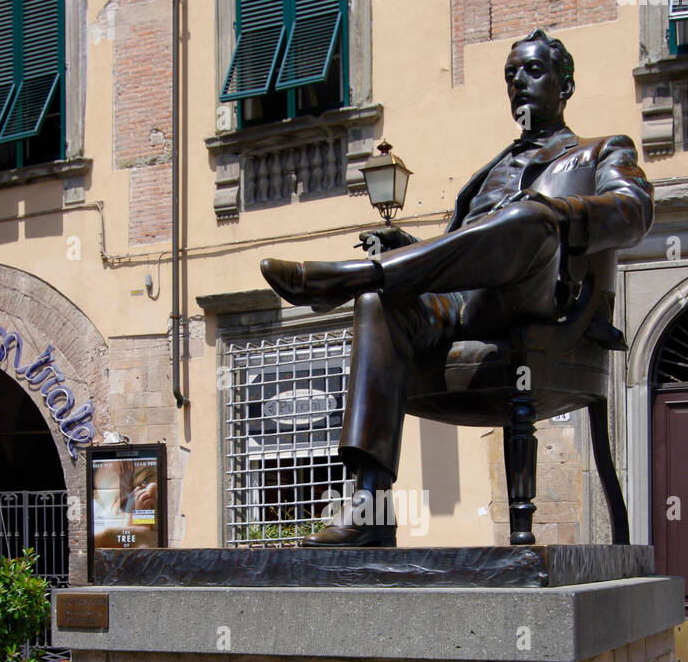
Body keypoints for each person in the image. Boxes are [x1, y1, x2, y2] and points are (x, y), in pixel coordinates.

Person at [261, 29, 654, 546]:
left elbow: (635, 209)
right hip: (467, 299)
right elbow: (458, 250)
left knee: (528, 219)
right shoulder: (486, 171)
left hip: (537, 300)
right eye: (511, 75)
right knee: (380, 302)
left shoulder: (598, 152)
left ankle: (352, 276)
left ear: (567, 84)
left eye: (533, 71)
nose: (519, 83)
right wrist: (406, 245)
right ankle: (370, 507)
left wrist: (558, 213)